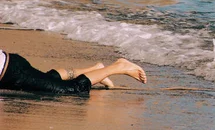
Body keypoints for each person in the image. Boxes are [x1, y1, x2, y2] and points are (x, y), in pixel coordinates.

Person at [0, 49, 147, 95]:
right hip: (11, 64)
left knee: (72, 89)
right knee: (48, 79)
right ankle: (95, 70)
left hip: (12, 73)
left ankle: (118, 67)